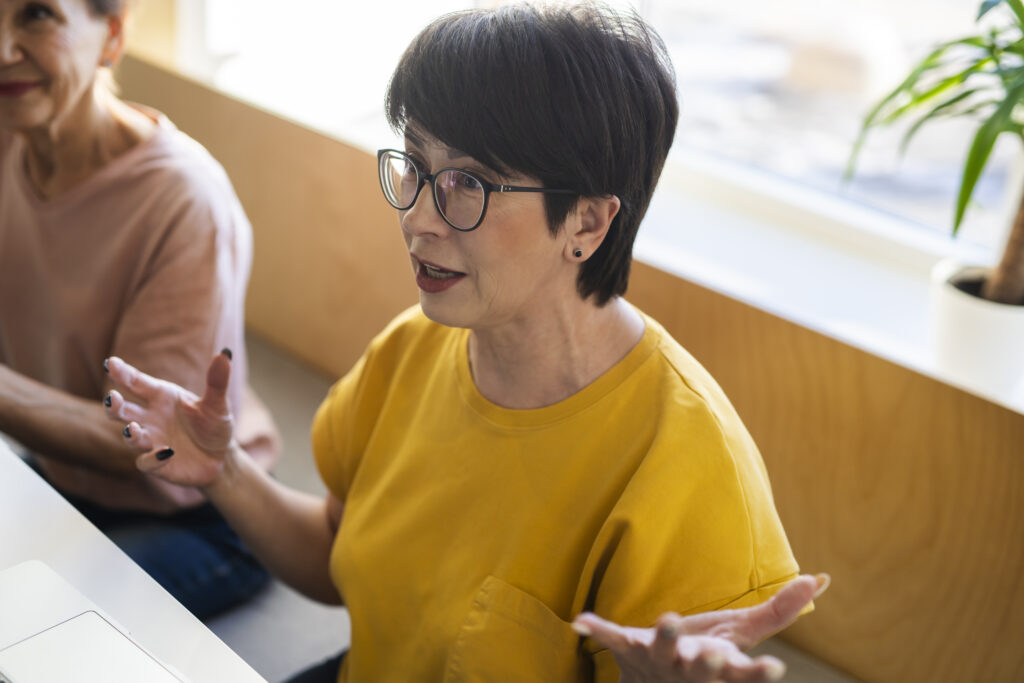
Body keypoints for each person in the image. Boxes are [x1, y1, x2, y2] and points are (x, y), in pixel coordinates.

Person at [102, 3, 828, 681]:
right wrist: (223, 468)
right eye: (415, 165)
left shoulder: (690, 462)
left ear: (587, 223)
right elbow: (335, 556)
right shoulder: (411, 347)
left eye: (469, 183)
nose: (420, 215)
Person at [0, 0, 280, 619]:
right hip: (64, 478)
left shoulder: (185, 202)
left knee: (24, 626)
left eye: (37, 16)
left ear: (113, 34)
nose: (2, 49)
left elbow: (146, 438)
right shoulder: (10, 137)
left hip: (197, 513)